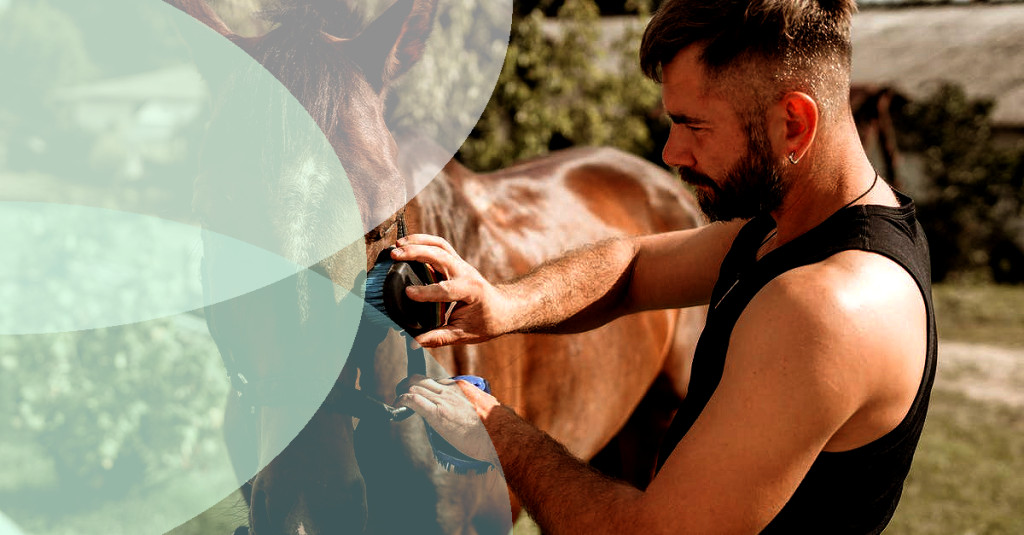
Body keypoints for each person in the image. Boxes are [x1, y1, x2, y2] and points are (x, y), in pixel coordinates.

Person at [394, 0, 937, 533]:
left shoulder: (826, 307)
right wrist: (507, 303)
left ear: (792, 122)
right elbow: (633, 265)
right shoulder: (799, 225)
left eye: (694, 127)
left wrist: (499, 432)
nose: (672, 153)